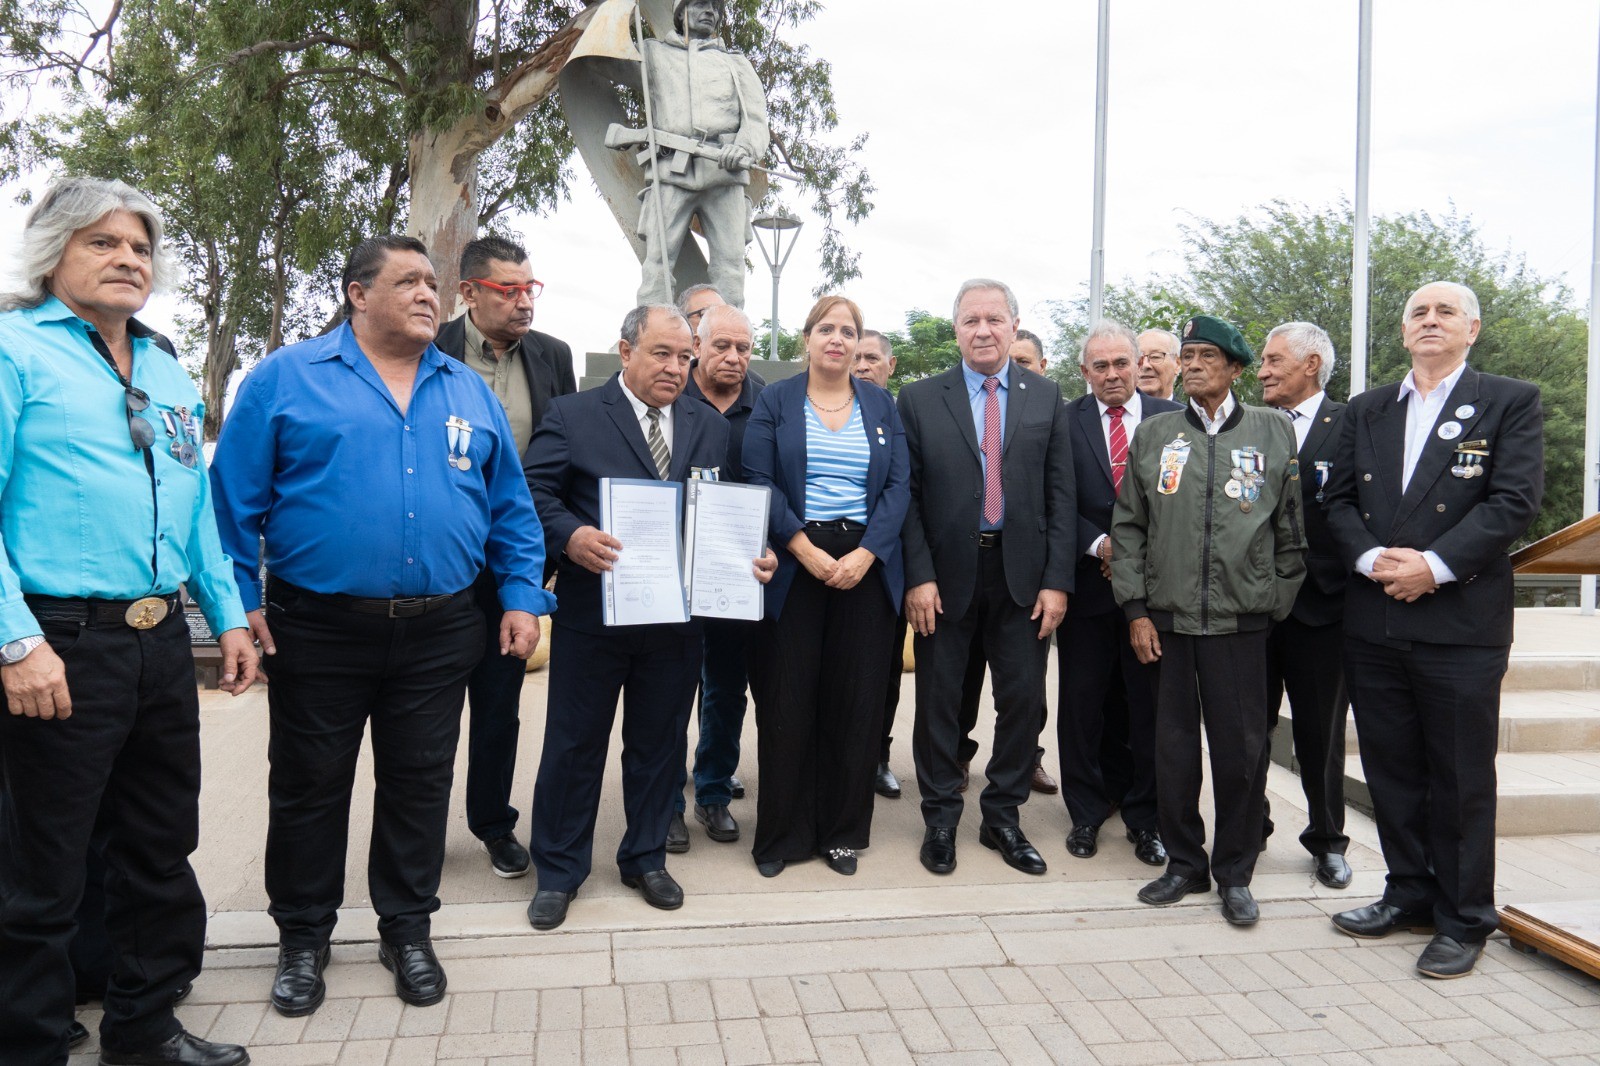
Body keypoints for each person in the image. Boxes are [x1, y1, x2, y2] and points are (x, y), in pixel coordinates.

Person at [212, 235, 553, 1016]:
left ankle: (407, 930)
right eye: (409, 282)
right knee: (309, 787)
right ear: (357, 294)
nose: (429, 294)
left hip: (441, 630)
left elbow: (510, 508)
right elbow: (230, 505)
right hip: (317, 629)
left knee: (419, 784)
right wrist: (236, 603)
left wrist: (521, 596)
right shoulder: (285, 379)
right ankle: (304, 938)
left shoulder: (466, 390)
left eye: (433, 283)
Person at [0, 177, 257, 1066]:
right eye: (102, 242)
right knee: (41, 864)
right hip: (56, 643)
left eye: (140, 247)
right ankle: (28, 1041)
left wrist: (228, 616)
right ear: (54, 254)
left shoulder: (165, 367)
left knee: (158, 844)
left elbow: (195, 512)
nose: (128, 260)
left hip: (158, 644)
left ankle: (144, 1029)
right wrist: (15, 641)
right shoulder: (13, 350)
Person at [524, 304, 776, 930]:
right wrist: (570, 535)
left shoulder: (706, 424)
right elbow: (532, 493)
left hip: (676, 623)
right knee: (574, 745)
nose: (675, 367)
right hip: (593, 615)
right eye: (661, 353)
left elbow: (722, 508)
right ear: (626, 351)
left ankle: (645, 858)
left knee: (659, 746)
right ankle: (559, 871)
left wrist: (755, 553)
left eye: (684, 357)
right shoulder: (574, 414)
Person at [1325, 281, 1543, 979]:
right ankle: (1409, 895)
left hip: (1460, 622)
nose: (1430, 320)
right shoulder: (1368, 408)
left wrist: (1435, 567)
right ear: (1402, 330)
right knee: (1391, 771)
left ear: (1471, 329)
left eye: (1446, 311)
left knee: (1459, 779)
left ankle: (1464, 917)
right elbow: (1335, 500)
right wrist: (1369, 559)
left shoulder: (1509, 400)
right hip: (1376, 616)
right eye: (1418, 311)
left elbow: (1513, 501)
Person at [1111, 314, 1305, 927]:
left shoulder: (1273, 430)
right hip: (1167, 622)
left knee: (1241, 753)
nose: (1193, 365)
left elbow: (1290, 528)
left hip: (1241, 624)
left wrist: (1272, 600)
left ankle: (1236, 872)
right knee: (1172, 750)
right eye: (1187, 355)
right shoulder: (1156, 434)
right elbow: (1129, 527)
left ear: (1235, 368)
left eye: (1207, 356)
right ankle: (1185, 864)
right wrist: (1137, 610)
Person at [899, 279, 1073, 877]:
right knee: (940, 703)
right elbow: (907, 497)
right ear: (956, 330)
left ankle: (1003, 816)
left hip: (1022, 578)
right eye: (971, 320)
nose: (983, 330)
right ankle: (940, 818)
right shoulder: (919, 398)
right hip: (944, 579)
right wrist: (918, 576)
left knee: (1023, 701)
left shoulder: (1046, 396)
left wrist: (1057, 581)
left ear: (1013, 326)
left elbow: (1061, 494)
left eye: (995, 319)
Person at [742, 296, 909, 878]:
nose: (838, 339)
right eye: (826, 329)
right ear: (807, 338)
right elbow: (758, 478)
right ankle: (781, 837)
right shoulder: (776, 400)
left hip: (865, 566)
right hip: (795, 562)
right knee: (787, 702)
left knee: (856, 704)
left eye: (848, 331)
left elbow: (898, 488)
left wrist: (867, 553)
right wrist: (803, 548)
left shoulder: (882, 404)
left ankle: (842, 833)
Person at [433, 234, 576, 880]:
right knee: (428, 710)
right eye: (508, 290)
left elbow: (562, 457)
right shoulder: (429, 348)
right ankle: (420, 829)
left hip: (515, 563)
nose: (525, 302)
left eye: (530, 289)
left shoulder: (552, 357)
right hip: (440, 559)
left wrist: (553, 552)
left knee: (498, 706)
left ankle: (492, 823)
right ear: (469, 293)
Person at [1058, 321, 1180, 867]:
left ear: (1139, 365)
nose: (1112, 374)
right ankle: (1085, 813)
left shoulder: (1173, 420)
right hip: (1086, 588)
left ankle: (1146, 819)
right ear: (1085, 372)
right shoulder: (1063, 423)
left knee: (1147, 710)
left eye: (1121, 363)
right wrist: (1102, 545)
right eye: (1100, 366)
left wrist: (1134, 552)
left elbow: (1185, 501)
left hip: (1154, 593)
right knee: (1082, 707)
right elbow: (1053, 501)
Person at [1255, 321, 1352, 890]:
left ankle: (1328, 840)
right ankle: (1251, 828)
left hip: (1323, 608)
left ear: (1311, 364)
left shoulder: (1353, 425)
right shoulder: (1250, 424)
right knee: (1249, 730)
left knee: (1320, 734)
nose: (1262, 371)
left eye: (1274, 361)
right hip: (1254, 606)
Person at [671, 304, 764, 849]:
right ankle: (664, 802)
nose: (733, 357)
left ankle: (712, 793)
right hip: (672, 569)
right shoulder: (670, 393)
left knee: (727, 689)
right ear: (697, 346)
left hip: (736, 573)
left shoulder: (768, 403)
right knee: (668, 689)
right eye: (721, 346)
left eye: (743, 348)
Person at [634, 0, 769, 307]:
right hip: (671, 170)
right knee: (657, 263)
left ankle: (727, 329)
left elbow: (755, 121)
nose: (710, 11)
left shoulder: (735, 63)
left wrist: (743, 148)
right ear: (681, 12)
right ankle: (654, 328)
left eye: (715, 7)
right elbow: (604, 60)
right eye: (700, 3)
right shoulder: (653, 53)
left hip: (724, 173)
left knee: (731, 267)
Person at [853, 329, 907, 800]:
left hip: (888, 565)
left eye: (872, 358)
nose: (862, 366)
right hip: (828, 557)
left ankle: (877, 756)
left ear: (890, 366)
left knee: (883, 671)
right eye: (856, 357)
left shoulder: (901, 414)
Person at [1136, 328, 1181, 401]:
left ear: (1177, 364)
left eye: (1155, 357)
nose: (1145, 365)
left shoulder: (1190, 409)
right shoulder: (1117, 407)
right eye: (1138, 358)